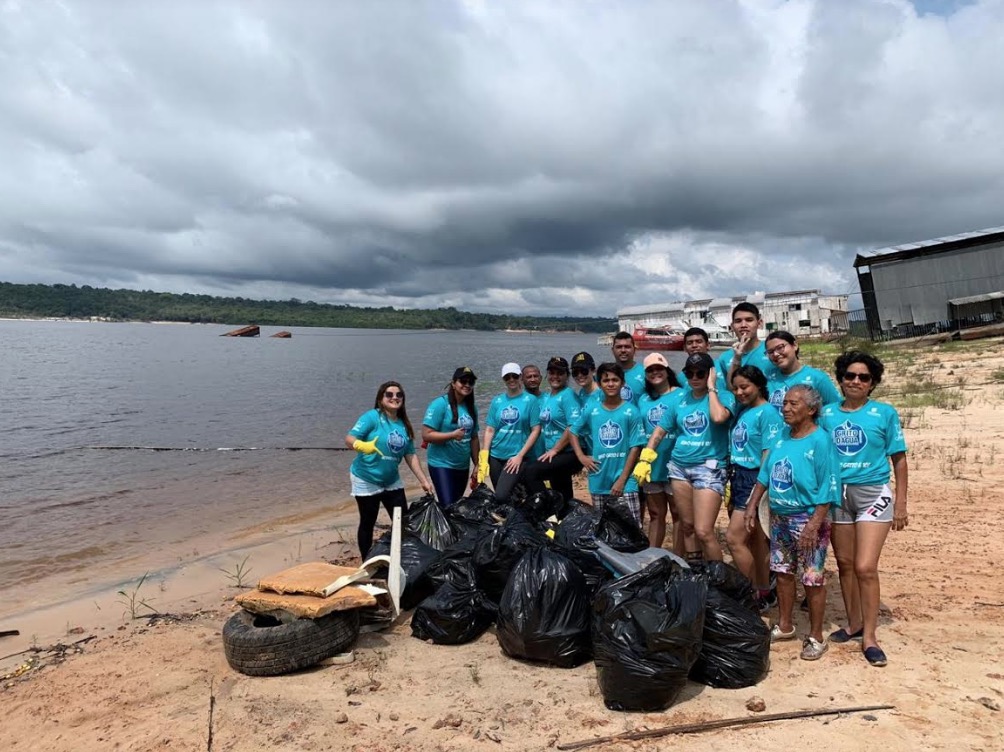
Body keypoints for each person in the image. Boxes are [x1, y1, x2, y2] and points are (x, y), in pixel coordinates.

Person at [820, 351, 908, 668]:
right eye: (850, 376)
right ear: (841, 380)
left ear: (872, 384)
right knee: (844, 564)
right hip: (837, 495)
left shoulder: (884, 413)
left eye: (864, 377)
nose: (856, 381)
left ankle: (870, 637)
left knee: (865, 566)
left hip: (873, 494)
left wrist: (901, 503)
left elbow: (899, 458)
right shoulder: (827, 414)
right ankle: (853, 623)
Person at [744, 385, 841, 662]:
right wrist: (752, 504)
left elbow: (829, 484)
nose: (785, 408)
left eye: (793, 404)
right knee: (783, 572)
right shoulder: (781, 438)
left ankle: (816, 637)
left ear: (811, 409)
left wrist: (815, 523)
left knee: (812, 578)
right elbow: (765, 475)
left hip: (809, 517)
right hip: (779, 516)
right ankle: (785, 625)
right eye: (784, 403)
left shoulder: (821, 440)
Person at [636, 352, 735, 562]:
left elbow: (718, 418)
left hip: (709, 469)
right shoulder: (679, 398)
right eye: (690, 373)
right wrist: (646, 458)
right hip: (679, 468)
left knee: (704, 531)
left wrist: (712, 387)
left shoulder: (723, 396)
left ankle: (718, 577)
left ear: (710, 373)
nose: (695, 377)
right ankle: (696, 571)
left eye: (701, 373)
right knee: (687, 526)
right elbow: (660, 431)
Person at [345, 381, 434, 558]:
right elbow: (349, 438)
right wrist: (360, 445)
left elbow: (410, 455)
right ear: (380, 399)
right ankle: (366, 560)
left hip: (391, 480)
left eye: (398, 395)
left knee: (402, 521)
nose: (394, 397)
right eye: (389, 394)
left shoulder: (404, 425)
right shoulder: (372, 417)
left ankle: (400, 557)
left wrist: (424, 481)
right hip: (366, 478)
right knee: (368, 521)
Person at [725, 365, 783, 609]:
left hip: (754, 478)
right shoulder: (745, 411)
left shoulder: (767, 412)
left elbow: (769, 452)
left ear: (759, 385)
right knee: (757, 540)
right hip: (738, 476)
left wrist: (758, 492)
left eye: (745, 387)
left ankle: (746, 594)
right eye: (736, 388)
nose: (739, 392)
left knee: (734, 538)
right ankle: (763, 591)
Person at [570, 362, 647, 527]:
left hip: (625, 481)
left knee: (632, 528)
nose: (610, 384)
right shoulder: (592, 409)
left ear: (622, 383)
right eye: (606, 380)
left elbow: (635, 447)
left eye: (615, 380)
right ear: (600, 383)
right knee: (604, 528)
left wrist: (622, 480)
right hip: (599, 478)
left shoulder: (631, 411)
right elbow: (573, 431)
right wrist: (581, 457)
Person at [636, 353, 682, 549]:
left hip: (676, 463)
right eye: (650, 370)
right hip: (652, 465)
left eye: (659, 368)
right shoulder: (644, 400)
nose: (656, 373)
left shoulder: (681, 394)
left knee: (678, 514)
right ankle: (653, 555)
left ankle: (679, 558)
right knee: (656, 514)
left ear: (667, 370)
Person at [477, 362, 541, 502]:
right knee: (504, 496)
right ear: (503, 379)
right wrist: (484, 455)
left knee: (501, 495)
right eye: (507, 377)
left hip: (516, 456)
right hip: (495, 455)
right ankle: (513, 520)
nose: (511, 380)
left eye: (514, 376)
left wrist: (520, 455)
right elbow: (490, 429)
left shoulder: (530, 400)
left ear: (520, 377)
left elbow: (535, 430)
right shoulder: (497, 401)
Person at [523, 356, 583, 501]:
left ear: (567, 376)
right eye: (552, 373)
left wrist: (555, 449)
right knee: (562, 491)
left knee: (530, 472)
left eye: (560, 373)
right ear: (547, 375)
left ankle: (548, 505)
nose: (555, 377)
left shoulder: (568, 395)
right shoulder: (549, 396)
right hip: (554, 453)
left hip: (568, 452)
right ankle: (564, 517)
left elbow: (573, 426)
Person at [422, 366, 480, 507]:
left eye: (470, 382)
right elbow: (426, 435)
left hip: (462, 465)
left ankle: (452, 528)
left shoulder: (471, 407)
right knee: (447, 504)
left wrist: (478, 464)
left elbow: (474, 438)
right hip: (441, 464)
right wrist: (452, 435)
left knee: (456, 504)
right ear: (453, 383)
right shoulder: (440, 404)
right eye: (463, 381)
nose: (467, 385)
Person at [764, 330, 841, 411]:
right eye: (770, 352)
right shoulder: (767, 379)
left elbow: (836, 410)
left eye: (780, 348)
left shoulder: (818, 378)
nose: (775, 354)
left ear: (794, 345)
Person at [716, 302, 778, 390]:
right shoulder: (724, 358)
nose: (743, 325)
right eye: (738, 321)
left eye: (749, 320)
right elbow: (730, 388)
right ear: (732, 326)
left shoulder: (772, 350)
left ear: (759, 323)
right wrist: (737, 359)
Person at [611, 331, 646, 405]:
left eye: (627, 347)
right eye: (619, 347)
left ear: (634, 350)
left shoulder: (645, 373)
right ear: (612, 350)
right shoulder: (605, 375)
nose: (623, 350)